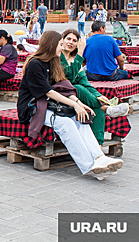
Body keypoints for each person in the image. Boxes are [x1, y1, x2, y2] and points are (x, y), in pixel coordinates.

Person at [17, 31, 123, 177]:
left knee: (81, 118)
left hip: (51, 104)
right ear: (51, 45)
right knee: (65, 124)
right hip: (33, 107)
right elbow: (48, 92)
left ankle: (99, 158)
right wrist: (74, 105)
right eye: (60, 44)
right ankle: (89, 165)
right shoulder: (35, 64)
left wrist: (79, 104)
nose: (62, 48)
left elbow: (64, 87)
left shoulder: (53, 62)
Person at [61, 29, 129, 146]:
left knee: (97, 111)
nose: (71, 42)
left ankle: (98, 146)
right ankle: (107, 109)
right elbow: (70, 78)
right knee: (77, 87)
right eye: (68, 39)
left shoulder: (75, 59)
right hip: (62, 95)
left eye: (74, 40)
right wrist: (80, 54)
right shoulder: (58, 57)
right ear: (62, 40)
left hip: (79, 97)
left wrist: (99, 96)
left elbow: (86, 83)